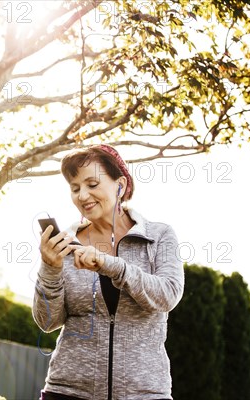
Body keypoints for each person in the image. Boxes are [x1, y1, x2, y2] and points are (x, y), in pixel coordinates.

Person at [33, 144, 185, 400]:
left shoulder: (158, 236)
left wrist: (108, 264)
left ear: (120, 185)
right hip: (69, 392)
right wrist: (50, 268)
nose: (82, 195)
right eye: (75, 188)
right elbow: (47, 321)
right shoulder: (66, 245)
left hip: (144, 393)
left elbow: (167, 296)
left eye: (92, 184)